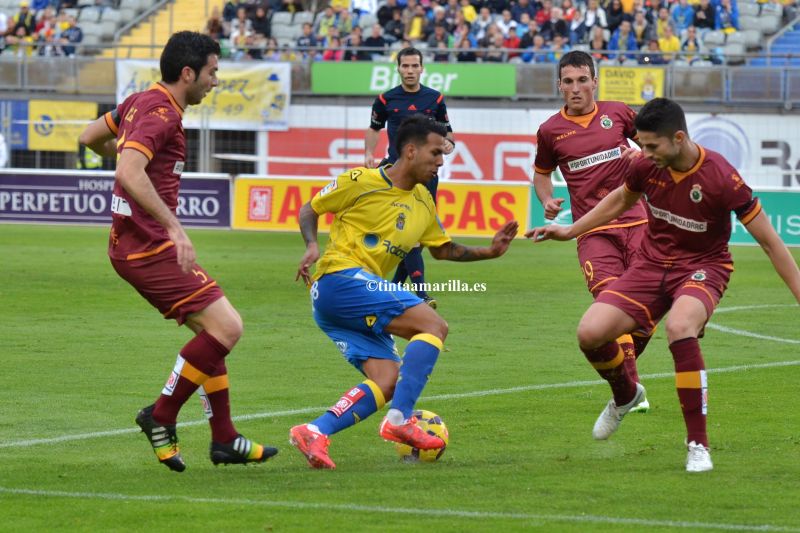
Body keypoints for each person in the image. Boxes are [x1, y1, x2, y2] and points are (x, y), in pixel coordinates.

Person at [527, 97, 800, 472]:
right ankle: (625, 395)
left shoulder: (721, 177)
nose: (645, 152)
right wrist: (571, 230)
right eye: (642, 144)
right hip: (652, 266)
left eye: (652, 146)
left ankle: (698, 445)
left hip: (702, 267)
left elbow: (771, 243)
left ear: (679, 139)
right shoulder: (645, 165)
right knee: (590, 333)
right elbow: (620, 199)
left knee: (679, 327)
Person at [77, 31, 278, 472]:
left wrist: (123, 151)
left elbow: (90, 136)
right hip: (148, 247)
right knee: (228, 328)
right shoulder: (161, 113)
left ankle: (224, 438)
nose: (215, 81)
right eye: (212, 72)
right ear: (188, 73)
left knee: (213, 334)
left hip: (134, 244)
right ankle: (161, 415)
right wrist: (174, 227)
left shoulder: (139, 100)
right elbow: (130, 171)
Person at [291, 116, 518, 469]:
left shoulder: (423, 201)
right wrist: (311, 245)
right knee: (434, 326)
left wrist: (490, 252)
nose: (440, 162)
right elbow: (311, 208)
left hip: (343, 302)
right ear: (410, 151)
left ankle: (314, 431)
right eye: (435, 153)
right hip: (340, 279)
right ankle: (399, 421)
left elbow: (442, 249)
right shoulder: (361, 180)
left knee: (388, 381)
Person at [533, 51, 650, 413]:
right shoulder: (550, 131)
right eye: (568, 81)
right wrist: (547, 199)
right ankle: (630, 394)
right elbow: (541, 174)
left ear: (595, 82)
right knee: (611, 304)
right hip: (593, 232)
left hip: (639, 224)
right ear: (559, 86)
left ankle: (626, 389)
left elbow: (655, 145)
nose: (576, 88)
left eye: (582, 80)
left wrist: (641, 155)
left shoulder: (619, 113)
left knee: (643, 315)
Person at [364, 47, 455, 308]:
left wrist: (448, 144)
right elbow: (374, 128)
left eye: (415, 66)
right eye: (405, 66)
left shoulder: (435, 99)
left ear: (422, 68)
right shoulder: (386, 100)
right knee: (406, 230)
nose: (410, 70)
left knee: (416, 232)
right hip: (397, 174)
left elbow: (448, 133)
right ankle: (421, 293)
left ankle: (394, 286)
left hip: (426, 175)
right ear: (399, 68)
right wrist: (369, 153)